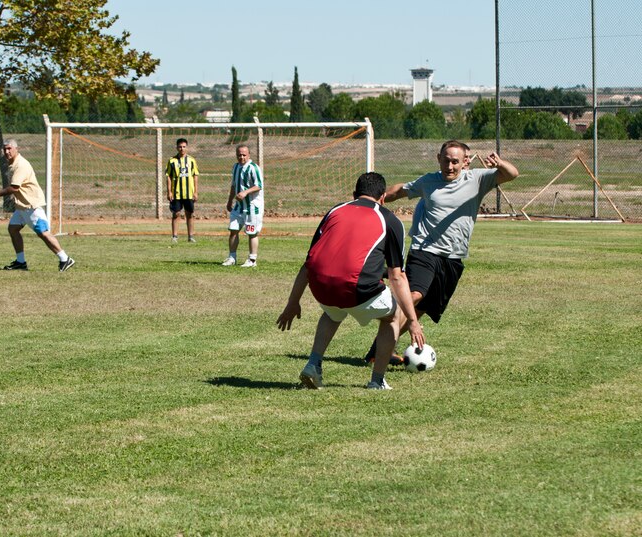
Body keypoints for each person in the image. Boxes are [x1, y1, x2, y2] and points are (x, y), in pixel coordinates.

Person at [364, 140, 519, 363]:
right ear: (439, 159)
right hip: (424, 249)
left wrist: (500, 163)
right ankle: (379, 352)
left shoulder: (477, 179)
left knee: (421, 309)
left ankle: (379, 351)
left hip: (453, 258)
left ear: (465, 162)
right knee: (415, 296)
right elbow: (400, 191)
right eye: (446, 161)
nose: (450, 166)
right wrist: (371, 199)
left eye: (455, 162)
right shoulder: (429, 181)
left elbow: (512, 174)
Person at [277, 172, 425, 390]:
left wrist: (293, 302)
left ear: (354, 195)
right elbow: (397, 275)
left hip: (320, 286)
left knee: (333, 311)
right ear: (383, 197)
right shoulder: (390, 220)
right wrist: (412, 321)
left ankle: (313, 364)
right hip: (357, 289)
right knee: (393, 316)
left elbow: (309, 263)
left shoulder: (335, 210)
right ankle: (377, 381)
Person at [0, 139, 75, 272]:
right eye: (5, 149)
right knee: (13, 229)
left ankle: (65, 258)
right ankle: (21, 262)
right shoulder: (13, 163)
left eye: (10, 148)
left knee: (44, 233)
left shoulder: (21, 165)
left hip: (31, 206)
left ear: (17, 149)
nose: (7, 151)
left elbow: (14, 188)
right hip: (22, 207)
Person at [222, 144, 264, 267]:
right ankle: (232, 257)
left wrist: (245, 192)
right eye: (239, 155)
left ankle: (252, 260)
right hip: (238, 206)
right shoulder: (235, 167)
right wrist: (230, 200)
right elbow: (234, 185)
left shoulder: (254, 168)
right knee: (233, 230)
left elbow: (259, 185)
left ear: (249, 155)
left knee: (251, 233)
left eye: (244, 155)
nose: (241, 157)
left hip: (252, 206)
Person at [166, 138, 200, 243]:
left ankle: (191, 236)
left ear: (187, 147)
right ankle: (175, 236)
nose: (182, 149)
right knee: (176, 214)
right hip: (176, 193)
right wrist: (169, 191)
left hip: (189, 192)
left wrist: (195, 191)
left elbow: (195, 176)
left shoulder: (191, 160)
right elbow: (168, 176)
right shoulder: (172, 161)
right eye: (180, 147)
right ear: (177, 147)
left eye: (184, 146)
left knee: (189, 214)